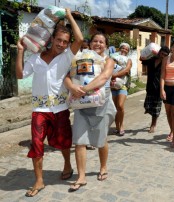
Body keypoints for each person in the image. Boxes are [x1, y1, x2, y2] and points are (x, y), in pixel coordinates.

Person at [16, 9, 83, 197]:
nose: (61, 44)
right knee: (36, 144)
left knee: (63, 143)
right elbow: (20, 74)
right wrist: (21, 51)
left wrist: (69, 16)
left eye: (65, 42)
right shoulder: (36, 57)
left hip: (60, 108)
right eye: (59, 40)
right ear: (52, 39)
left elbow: (79, 39)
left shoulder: (66, 56)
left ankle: (68, 165)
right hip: (39, 110)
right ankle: (39, 181)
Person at [65, 32, 116, 192]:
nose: (98, 44)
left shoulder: (109, 60)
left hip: (101, 103)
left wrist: (83, 90)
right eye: (95, 41)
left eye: (101, 42)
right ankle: (81, 176)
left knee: (101, 139)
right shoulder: (79, 59)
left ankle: (103, 166)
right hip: (81, 105)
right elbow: (66, 76)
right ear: (90, 43)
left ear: (106, 46)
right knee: (79, 140)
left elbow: (104, 77)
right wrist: (73, 88)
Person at [141, 46, 170, 133]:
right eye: (162, 53)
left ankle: (153, 125)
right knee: (147, 106)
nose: (162, 56)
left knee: (156, 108)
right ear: (159, 52)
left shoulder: (166, 64)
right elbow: (141, 59)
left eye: (165, 55)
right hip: (150, 87)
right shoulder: (151, 59)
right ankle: (149, 110)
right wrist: (150, 53)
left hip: (159, 88)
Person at [110, 43, 132, 136]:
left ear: (128, 51)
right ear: (119, 48)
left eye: (126, 49)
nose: (124, 50)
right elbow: (111, 67)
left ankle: (121, 125)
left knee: (120, 106)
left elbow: (126, 70)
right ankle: (117, 127)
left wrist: (114, 75)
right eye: (123, 48)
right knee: (115, 108)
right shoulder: (113, 57)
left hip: (122, 84)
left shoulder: (129, 60)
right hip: (113, 84)